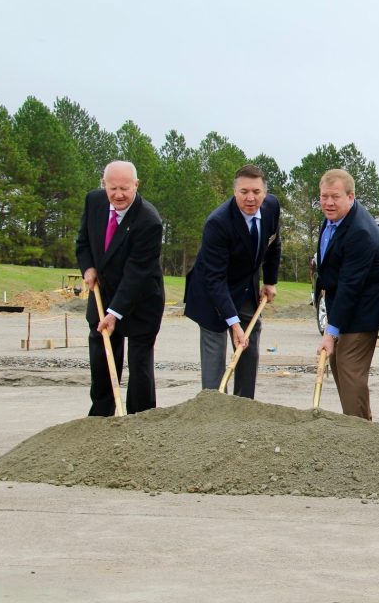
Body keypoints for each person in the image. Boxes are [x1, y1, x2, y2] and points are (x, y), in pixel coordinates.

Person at [75, 160, 165, 416]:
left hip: (141, 298)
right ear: (103, 185)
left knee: (139, 364)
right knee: (102, 357)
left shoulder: (149, 220)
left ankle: (141, 418)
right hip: (102, 292)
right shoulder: (93, 202)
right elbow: (82, 242)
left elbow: (137, 274)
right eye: (112, 188)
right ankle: (101, 415)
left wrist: (115, 313)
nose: (118, 195)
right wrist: (88, 268)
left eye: (125, 188)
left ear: (136, 185)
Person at [183, 164, 281, 398]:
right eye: (244, 192)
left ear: (264, 193)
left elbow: (274, 243)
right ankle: (215, 410)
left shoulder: (271, 207)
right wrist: (233, 323)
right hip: (210, 294)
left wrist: (270, 281)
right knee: (215, 361)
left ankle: (244, 406)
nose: (250, 198)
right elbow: (214, 279)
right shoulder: (218, 223)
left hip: (246, 289)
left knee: (249, 347)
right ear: (234, 192)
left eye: (256, 192)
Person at [314, 168, 379, 419]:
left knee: (348, 367)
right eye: (324, 196)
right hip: (344, 304)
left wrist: (330, 331)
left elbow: (350, 286)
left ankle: (359, 431)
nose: (328, 202)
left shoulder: (360, 232)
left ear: (351, 196)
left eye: (334, 197)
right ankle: (358, 422)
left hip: (362, 309)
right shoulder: (334, 217)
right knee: (337, 363)